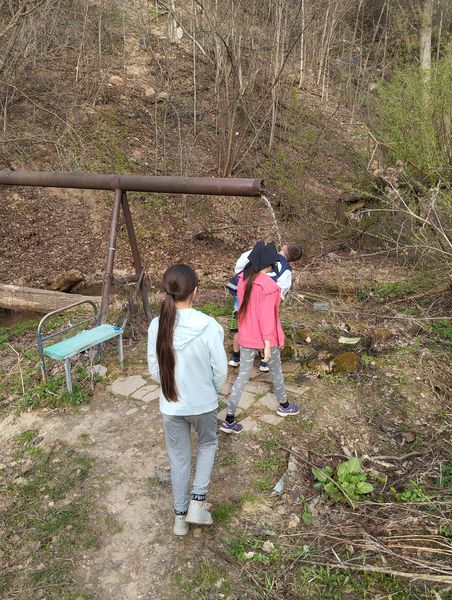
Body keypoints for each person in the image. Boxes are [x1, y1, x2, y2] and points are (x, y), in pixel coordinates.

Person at [148, 264, 228, 535]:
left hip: (171, 405)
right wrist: (209, 390)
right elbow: (220, 371)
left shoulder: (157, 325)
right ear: (195, 292)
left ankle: (180, 519)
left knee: (179, 459)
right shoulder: (210, 326)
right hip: (203, 404)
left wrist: (171, 387)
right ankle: (197, 503)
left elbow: (154, 368)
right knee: (208, 444)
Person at [220, 242, 299, 434]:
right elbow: (267, 318)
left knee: (242, 376)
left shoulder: (244, 280)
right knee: (276, 371)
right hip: (266, 338)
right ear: (269, 264)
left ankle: (229, 419)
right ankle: (284, 405)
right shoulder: (270, 287)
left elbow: (243, 311)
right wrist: (267, 345)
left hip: (247, 335)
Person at [228, 242, 302, 371]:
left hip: (243, 296)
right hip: (264, 301)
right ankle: (264, 362)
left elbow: (241, 264)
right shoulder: (286, 270)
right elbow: (280, 290)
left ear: (284, 247)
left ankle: (235, 357)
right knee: (265, 329)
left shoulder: (261, 252)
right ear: (292, 260)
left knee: (240, 327)